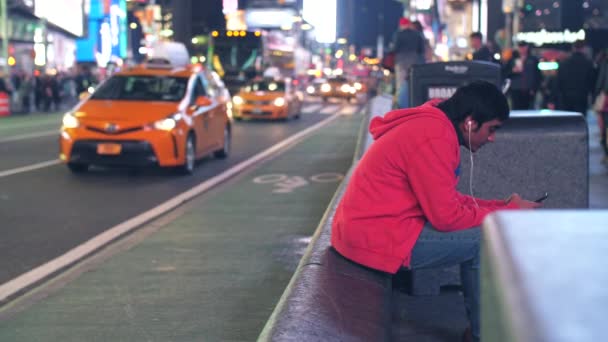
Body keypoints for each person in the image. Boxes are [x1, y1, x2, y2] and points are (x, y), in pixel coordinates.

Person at [330, 81, 541, 342]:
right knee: (484, 242)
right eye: (491, 129)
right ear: (470, 123)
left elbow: (448, 201)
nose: (492, 138)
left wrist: (502, 206)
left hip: (375, 228)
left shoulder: (435, 126)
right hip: (374, 237)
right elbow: (446, 217)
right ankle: (482, 335)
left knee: (484, 233)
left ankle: (480, 330)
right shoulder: (434, 136)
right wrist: (506, 212)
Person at [391, 17, 425, 109]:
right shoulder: (417, 34)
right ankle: (414, 105)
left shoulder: (398, 34)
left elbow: (395, 48)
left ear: (401, 25)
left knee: (401, 85)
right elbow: (421, 49)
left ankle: (401, 107)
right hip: (414, 62)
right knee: (413, 84)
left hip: (401, 62)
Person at [554, 40, 595, 116]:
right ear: (584, 48)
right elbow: (592, 82)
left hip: (566, 97)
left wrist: (553, 99)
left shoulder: (564, 63)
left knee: (567, 121)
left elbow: (558, 82)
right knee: (580, 122)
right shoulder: (588, 63)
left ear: (573, 48)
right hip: (582, 97)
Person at [505, 41, 542, 109]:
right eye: (520, 47)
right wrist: (513, 71)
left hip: (528, 91)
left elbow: (538, 76)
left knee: (529, 111)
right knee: (516, 110)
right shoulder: (512, 60)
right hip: (515, 90)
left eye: (524, 47)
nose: (522, 49)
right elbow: (505, 73)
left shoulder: (533, 60)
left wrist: (534, 89)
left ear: (527, 47)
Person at [595, 49, 608, 164]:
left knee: (605, 127)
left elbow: (601, 82)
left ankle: (606, 153)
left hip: (606, 100)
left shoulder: (605, 63)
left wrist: (597, 94)